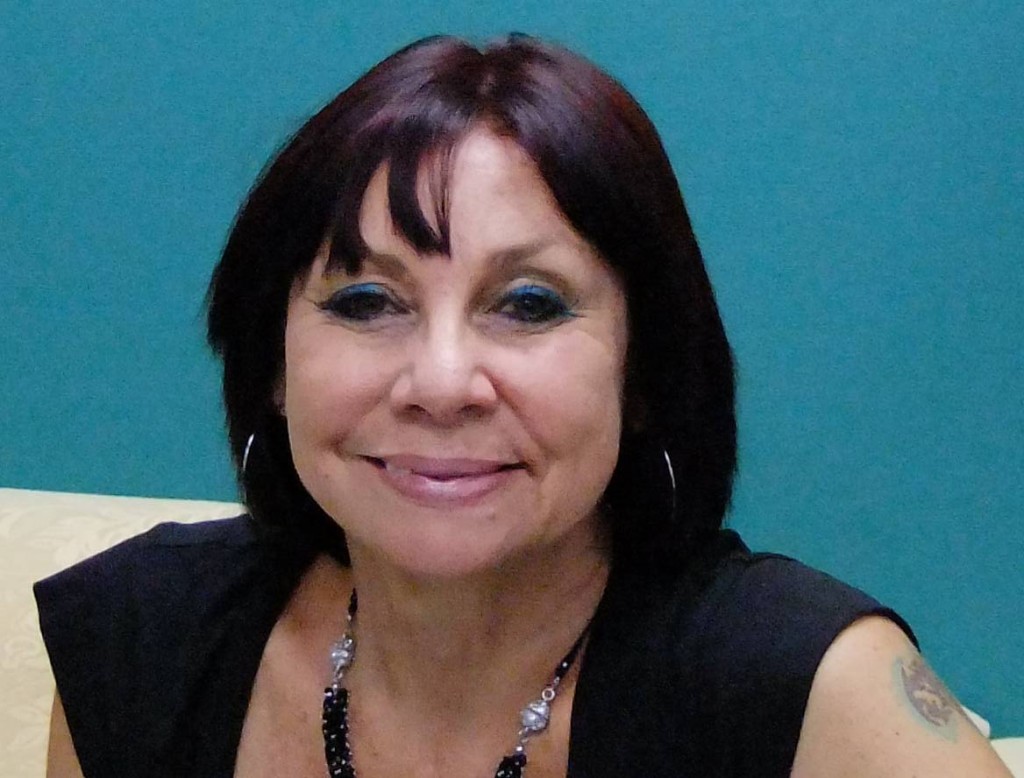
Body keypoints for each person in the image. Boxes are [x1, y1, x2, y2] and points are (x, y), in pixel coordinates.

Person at [36, 34, 1011, 778]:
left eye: (529, 304)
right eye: (366, 301)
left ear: (643, 372)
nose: (441, 382)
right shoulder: (138, 644)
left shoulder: (803, 689)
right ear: (274, 366)